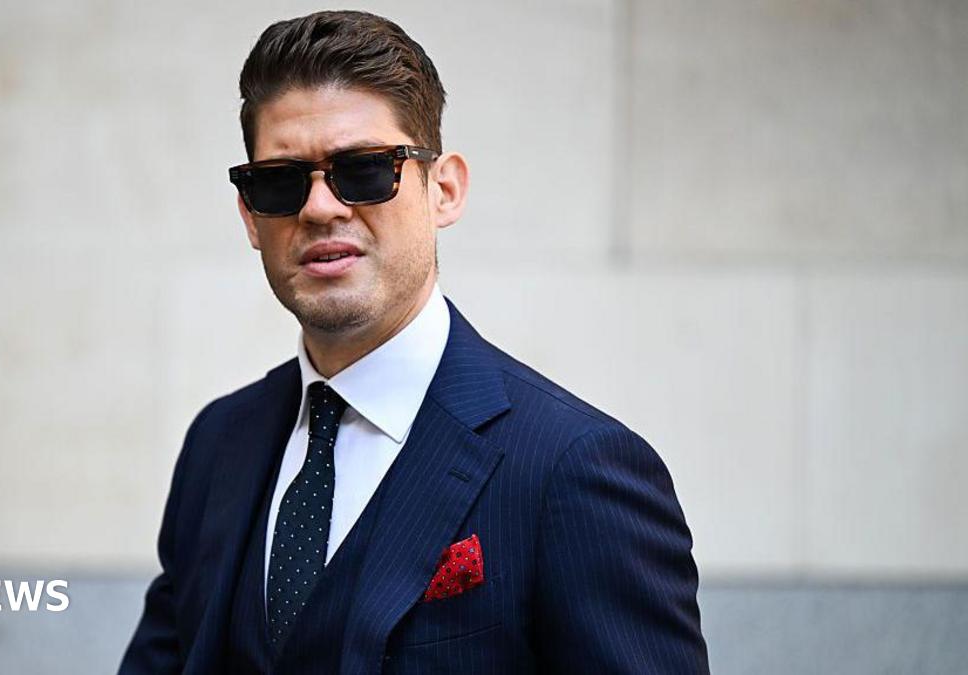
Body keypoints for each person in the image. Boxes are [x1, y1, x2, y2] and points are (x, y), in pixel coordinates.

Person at [120, 9, 708, 674]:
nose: (320, 208)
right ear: (251, 216)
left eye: (366, 170)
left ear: (445, 190)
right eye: (281, 181)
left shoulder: (575, 469)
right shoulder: (218, 443)